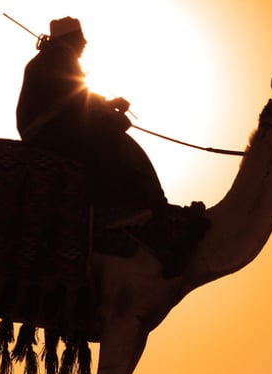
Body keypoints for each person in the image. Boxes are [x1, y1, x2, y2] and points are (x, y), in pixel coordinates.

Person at [16, 17, 167, 227]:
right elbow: (76, 98)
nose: (85, 42)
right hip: (45, 129)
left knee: (110, 125)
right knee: (107, 133)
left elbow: (75, 97)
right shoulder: (57, 58)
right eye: (81, 37)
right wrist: (108, 108)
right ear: (70, 38)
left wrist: (107, 104)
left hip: (53, 124)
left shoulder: (56, 59)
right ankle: (108, 209)